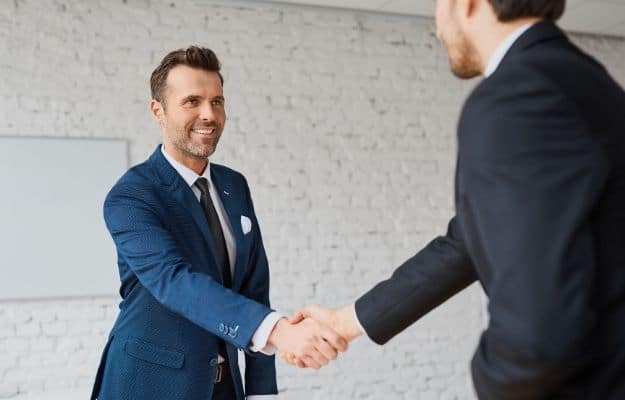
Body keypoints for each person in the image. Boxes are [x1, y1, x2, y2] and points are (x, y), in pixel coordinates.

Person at [285, 0, 625, 398]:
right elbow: (468, 240)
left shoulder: (514, 98)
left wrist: (496, 385)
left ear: (465, 4)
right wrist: (346, 322)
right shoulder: (589, 82)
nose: (438, 27)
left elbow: (537, 331)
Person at [91, 46, 347, 400]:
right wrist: (278, 332)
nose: (208, 114)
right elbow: (173, 281)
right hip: (149, 386)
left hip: (226, 388)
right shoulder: (132, 195)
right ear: (158, 111)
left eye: (217, 101)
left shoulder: (234, 185)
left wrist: (261, 391)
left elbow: (254, 286)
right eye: (192, 101)